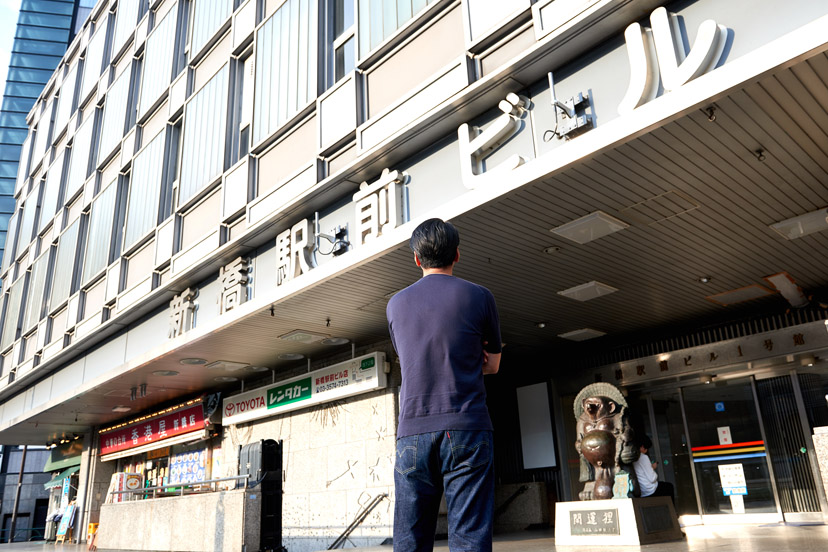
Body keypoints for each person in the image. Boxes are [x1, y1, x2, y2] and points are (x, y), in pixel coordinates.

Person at [386, 218, 502, 552]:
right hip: (467, 425)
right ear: (458, 255)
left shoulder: (395, 304)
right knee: (469, 537)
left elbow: (411, 359)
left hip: (412, 432)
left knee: (410, 539)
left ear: (417, 259)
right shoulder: (480, 296)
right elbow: (492, 364)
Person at [633, 435, 675, 503]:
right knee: (669, 487)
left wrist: (650, 467)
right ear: (642, 446)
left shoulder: (633, 457)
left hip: (641, 491)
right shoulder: (643, 457)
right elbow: (652, 478)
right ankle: (672, 511)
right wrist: (652, 468)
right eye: (646, 448)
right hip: (649, 490)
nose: (646, 451)